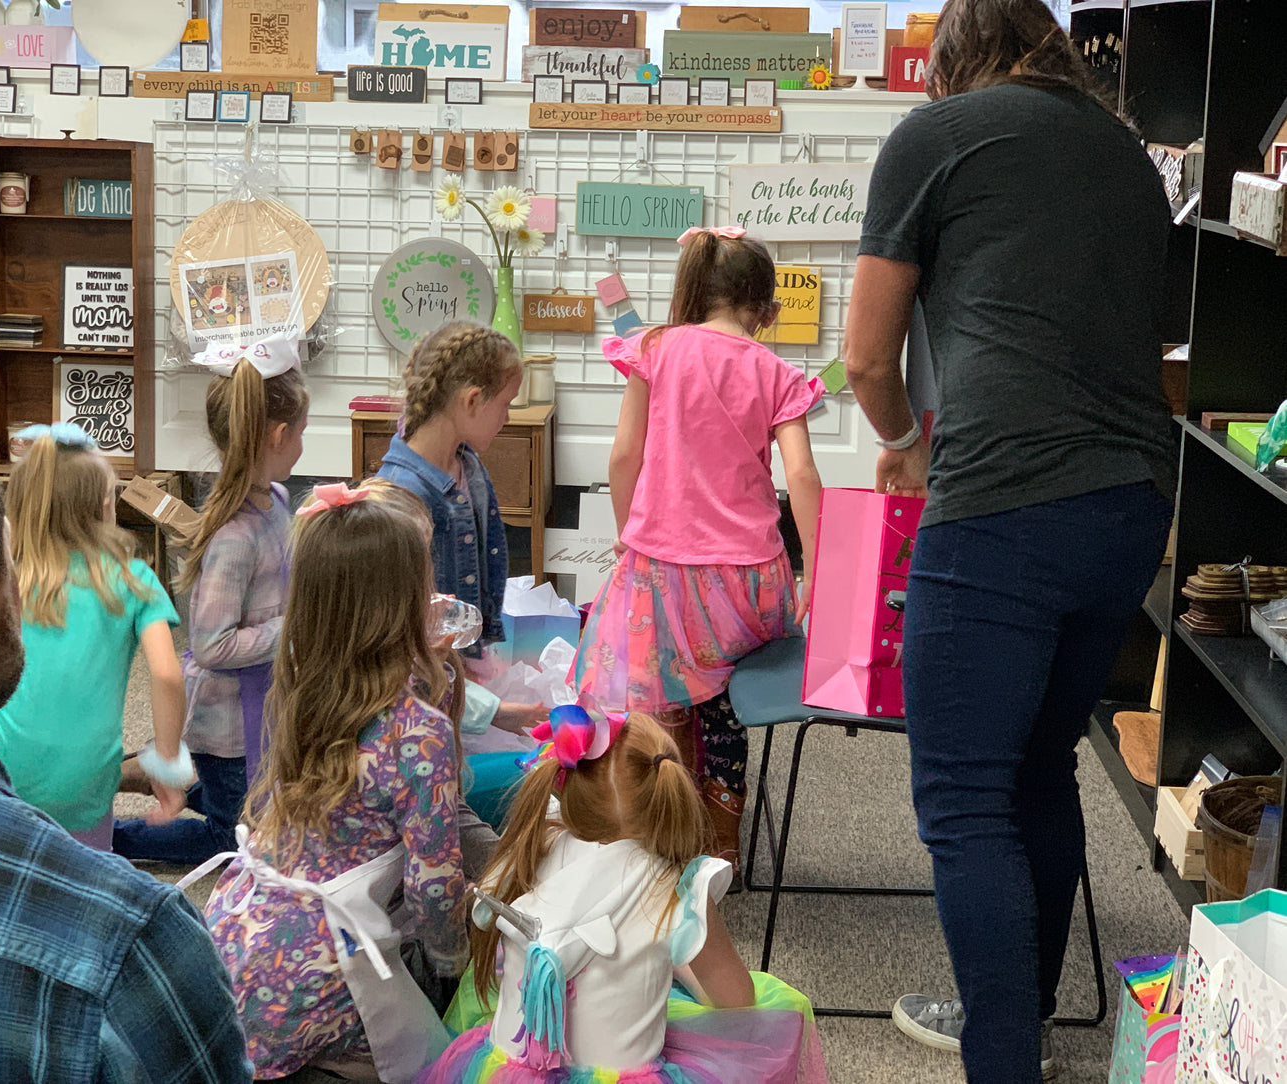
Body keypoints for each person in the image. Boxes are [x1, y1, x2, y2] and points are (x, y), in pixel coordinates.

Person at [842, 2, 1176, 1079]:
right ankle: (1014, 1018)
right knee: (1039, 766)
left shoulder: (932, 138)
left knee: (960, 795)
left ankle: (999, 1057)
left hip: (998, 507)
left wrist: (902, 442)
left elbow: (862, 358)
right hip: (1126, 507)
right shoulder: (1125, 154)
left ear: (946, 61)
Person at [0, 373, 250, 1081]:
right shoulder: (133, 944)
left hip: (10, 763)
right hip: (81, 789)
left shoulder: (28, 573)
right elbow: (166, 671)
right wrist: (164, 760)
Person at [181, 480, 468, 1082]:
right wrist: (459, 962)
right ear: (402, 604)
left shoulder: (299, 690)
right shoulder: (419, 734)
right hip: (318, 976)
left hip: (227, 944)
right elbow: (435, 893)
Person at [571, 226, 824, 872]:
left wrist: (635, 537)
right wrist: (817, 575)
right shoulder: (774, 371)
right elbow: (799, 477)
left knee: (665, 687)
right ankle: (722, 834)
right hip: (747, 582)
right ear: (764, 310)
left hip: (665, 575)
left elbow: (623, 454)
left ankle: (669, 825)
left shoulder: (654, 349)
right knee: (722, 699)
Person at [422, 707, 828, 1084]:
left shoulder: (530, 847)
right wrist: (674, 961)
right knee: (781, 1006)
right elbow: (734, 999)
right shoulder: (676, 887)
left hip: (508, 1069)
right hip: (623, 1072)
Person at [114, 343, 308, 865]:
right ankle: (114, 839)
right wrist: (293, 629)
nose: (304, 445)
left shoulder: (278, 501)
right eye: (302, 433)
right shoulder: (234, 536)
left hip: (261, 703)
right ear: (277, 436)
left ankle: (149, 771)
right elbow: (212, 644)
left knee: (253, 806)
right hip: (227, 722)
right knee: (231, 836)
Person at [0, 423, 185, 849]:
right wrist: (166, 765)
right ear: (106, 505)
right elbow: (167, 675)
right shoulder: (135, 581)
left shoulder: (5, 578)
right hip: (85, 779)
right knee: (83, 871)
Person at [377, 322, 549, 817]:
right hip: (426, 686)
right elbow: (403, 659)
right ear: (472, 401)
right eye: (505, 404)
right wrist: (499, 712)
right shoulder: (402, 496)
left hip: (460, 668)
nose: (508, 417)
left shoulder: (465, 459)